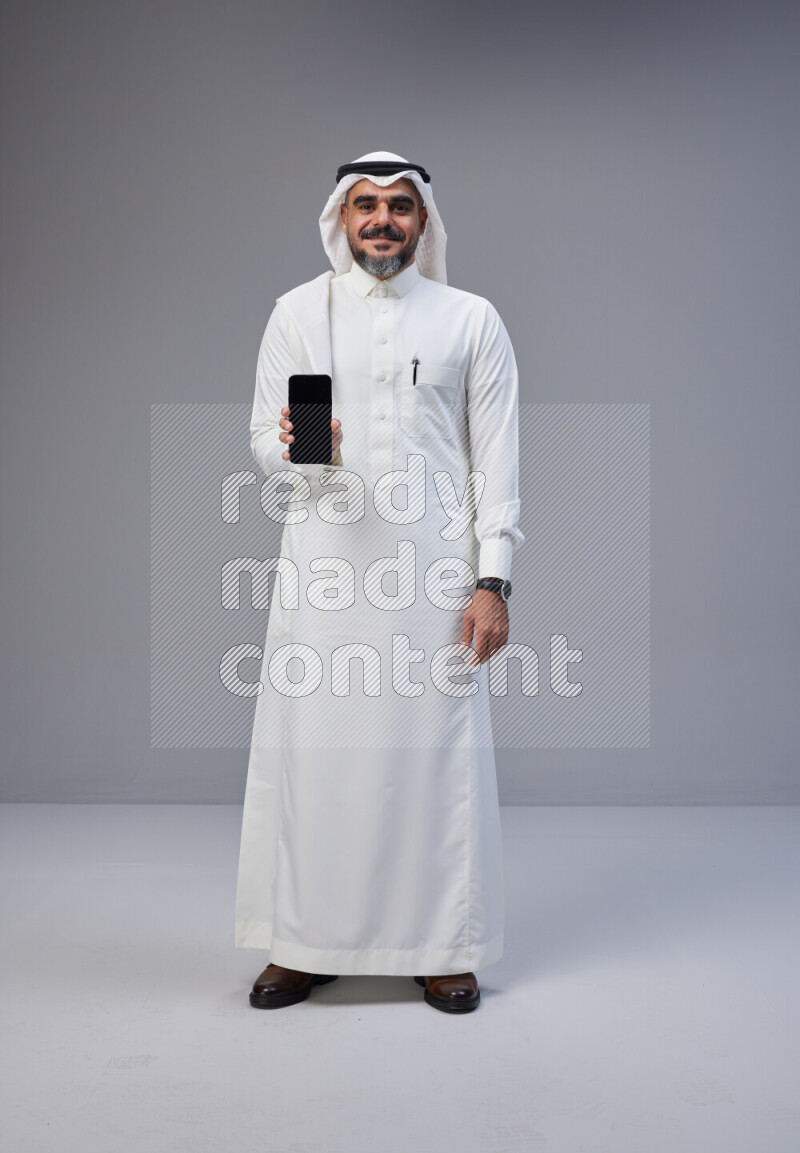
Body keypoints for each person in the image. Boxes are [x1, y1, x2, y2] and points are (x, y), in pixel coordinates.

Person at [234, 151, 524, 1013]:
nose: (383, 220)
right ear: (340, 218)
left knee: (435, 762)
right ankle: (303, 942)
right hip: (324, 574)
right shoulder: (300, 314)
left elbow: (496, 459)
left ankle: (444, 946)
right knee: (316, 763)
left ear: (425, 221)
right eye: (366, 205)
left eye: (400, 206)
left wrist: (493, 581)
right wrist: (294, 447)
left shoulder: (471, 319)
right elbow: (269, 438)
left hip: (435, 579)